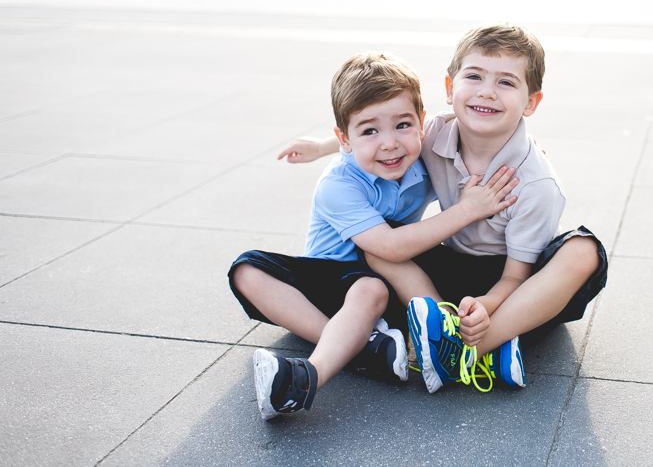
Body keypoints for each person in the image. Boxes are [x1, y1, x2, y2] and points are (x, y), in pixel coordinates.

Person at [278, 24, 609, 394]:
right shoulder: (432, 133)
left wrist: (488, 304)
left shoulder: (536, 184)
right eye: (474, 76)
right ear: (450, 89)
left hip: (517, 288)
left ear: (530, 102)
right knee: (381, 243)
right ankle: (441, 325)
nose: (486, 91)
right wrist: (324, 146)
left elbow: (516, 276)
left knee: (584, 252)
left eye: (506, 83)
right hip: (450, 270)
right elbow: (383, 131)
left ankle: (471, 349)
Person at [230, 52, 518, 420]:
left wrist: (520, 150)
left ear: (420, 125)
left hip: (386, 292)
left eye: (402, 126)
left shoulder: (421, 155)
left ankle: (310, 374)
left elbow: (464, 127)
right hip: (328, 285)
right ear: (345, 140)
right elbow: (389, 246)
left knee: (373, 287)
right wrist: (466, 209)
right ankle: (361, 349)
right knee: (245, 270)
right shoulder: (337, 185)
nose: (390, 144)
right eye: (370, 132)